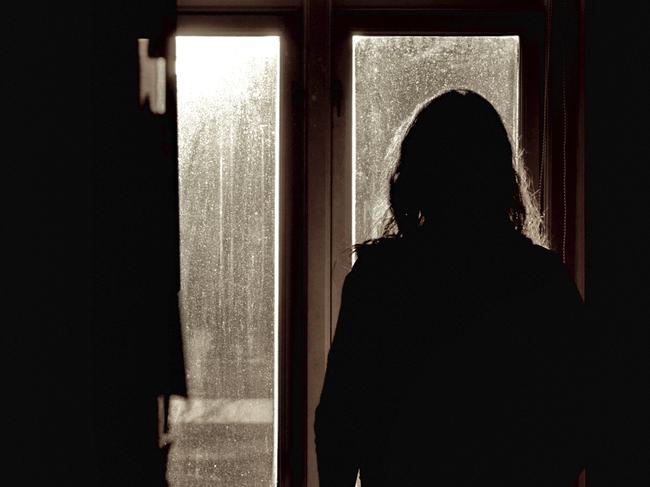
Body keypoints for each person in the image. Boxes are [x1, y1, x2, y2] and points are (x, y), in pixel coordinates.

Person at [315, 90, 590, 486]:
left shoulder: (379, 279)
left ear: (416, 177)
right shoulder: (539, 278)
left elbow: (340, 421)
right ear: (499, 179)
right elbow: (581, 413)